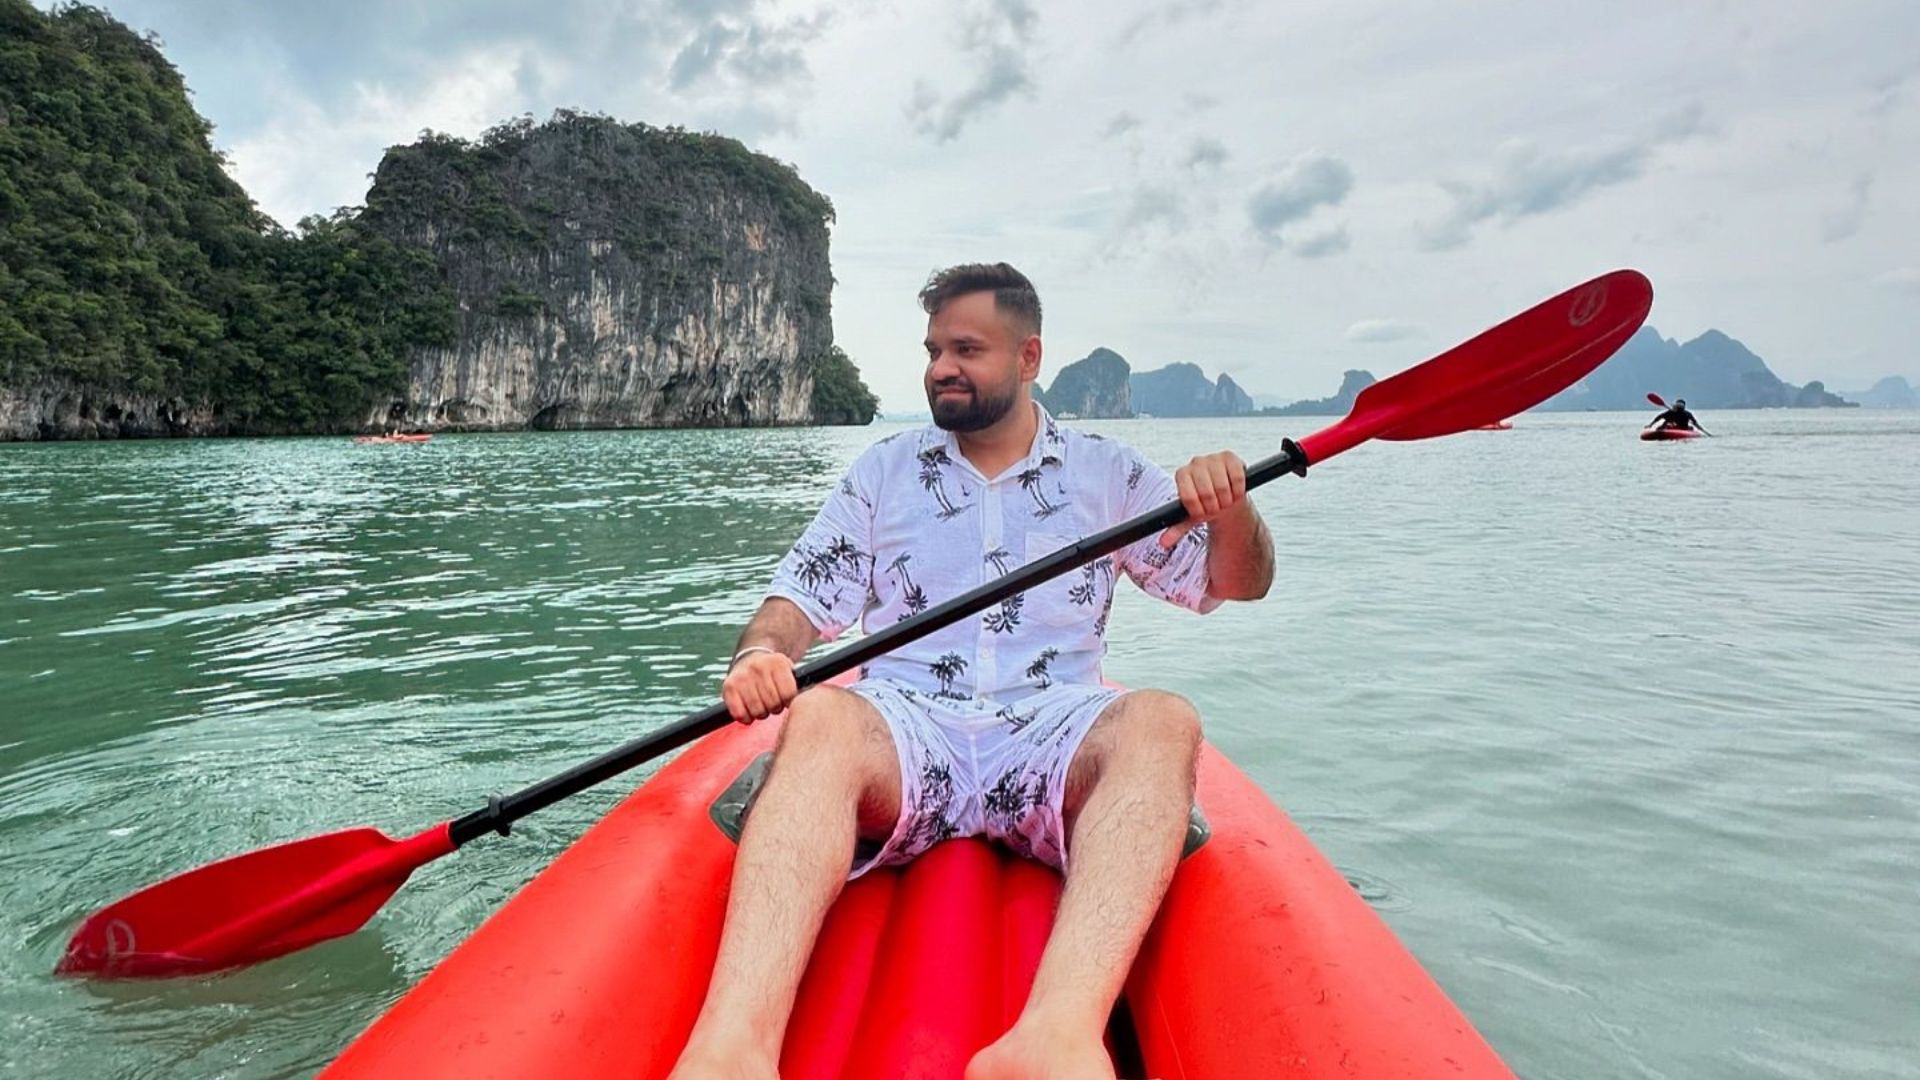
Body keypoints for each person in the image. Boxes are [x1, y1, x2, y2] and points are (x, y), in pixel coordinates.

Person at [669, 262, 1275, 1080]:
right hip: (910, 725)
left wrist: (1231, 502)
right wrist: (761, 653)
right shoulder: (885, 471)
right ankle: (730, 1053)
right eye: (932, 350)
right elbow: (801, 595)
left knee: (1164, 717)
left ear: (1028, 358)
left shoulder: (1107, 472)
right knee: (821, 715)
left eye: (966, 348)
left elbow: (1234, 582)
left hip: (1048, 729)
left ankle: (1055, 1039)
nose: (940, 367)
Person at [1646, 398, 1711, 435]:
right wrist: (1650, 425)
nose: (1679, 407)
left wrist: (1701, 429)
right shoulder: (1670, 412)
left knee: (1690, 427)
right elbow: (1658, 417)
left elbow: (1695, 423)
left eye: (1680, 406)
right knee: (1663, 425)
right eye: (1678, 405)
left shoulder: (1687, 414)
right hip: (1671, 428)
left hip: (1683, 429)